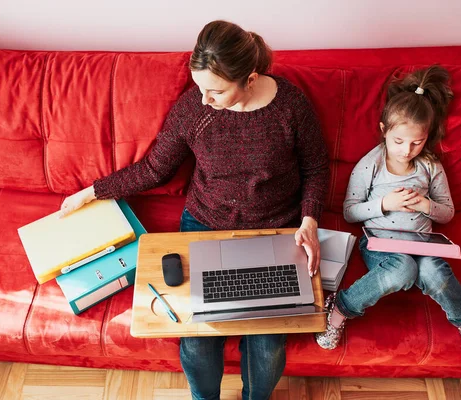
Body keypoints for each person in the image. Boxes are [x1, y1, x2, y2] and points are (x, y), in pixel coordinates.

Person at [59, 20, 329, 400]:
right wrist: (92, 192)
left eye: (215, 91)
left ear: (249, 79)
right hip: (205, 224)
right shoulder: (194, 109)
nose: (204, 99)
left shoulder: (291, 105)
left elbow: (316, 167)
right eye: (199, 87)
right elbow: (155, 168)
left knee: (268, 344)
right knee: (198, 340)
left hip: (273, 229)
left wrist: (309, 220)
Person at [314, 65, 461, 365]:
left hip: (423, 242)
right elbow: (350, 210)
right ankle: (341, 307)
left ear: (427, 138)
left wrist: (426, 206)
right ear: (384, 130)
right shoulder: (371, 163)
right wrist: (385, 203)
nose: (406, 150)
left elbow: (447, 212)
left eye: (416, 142)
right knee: (402, 270)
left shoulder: (431, 167)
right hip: (380, 241)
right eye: (398, 141)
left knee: (432, 272)